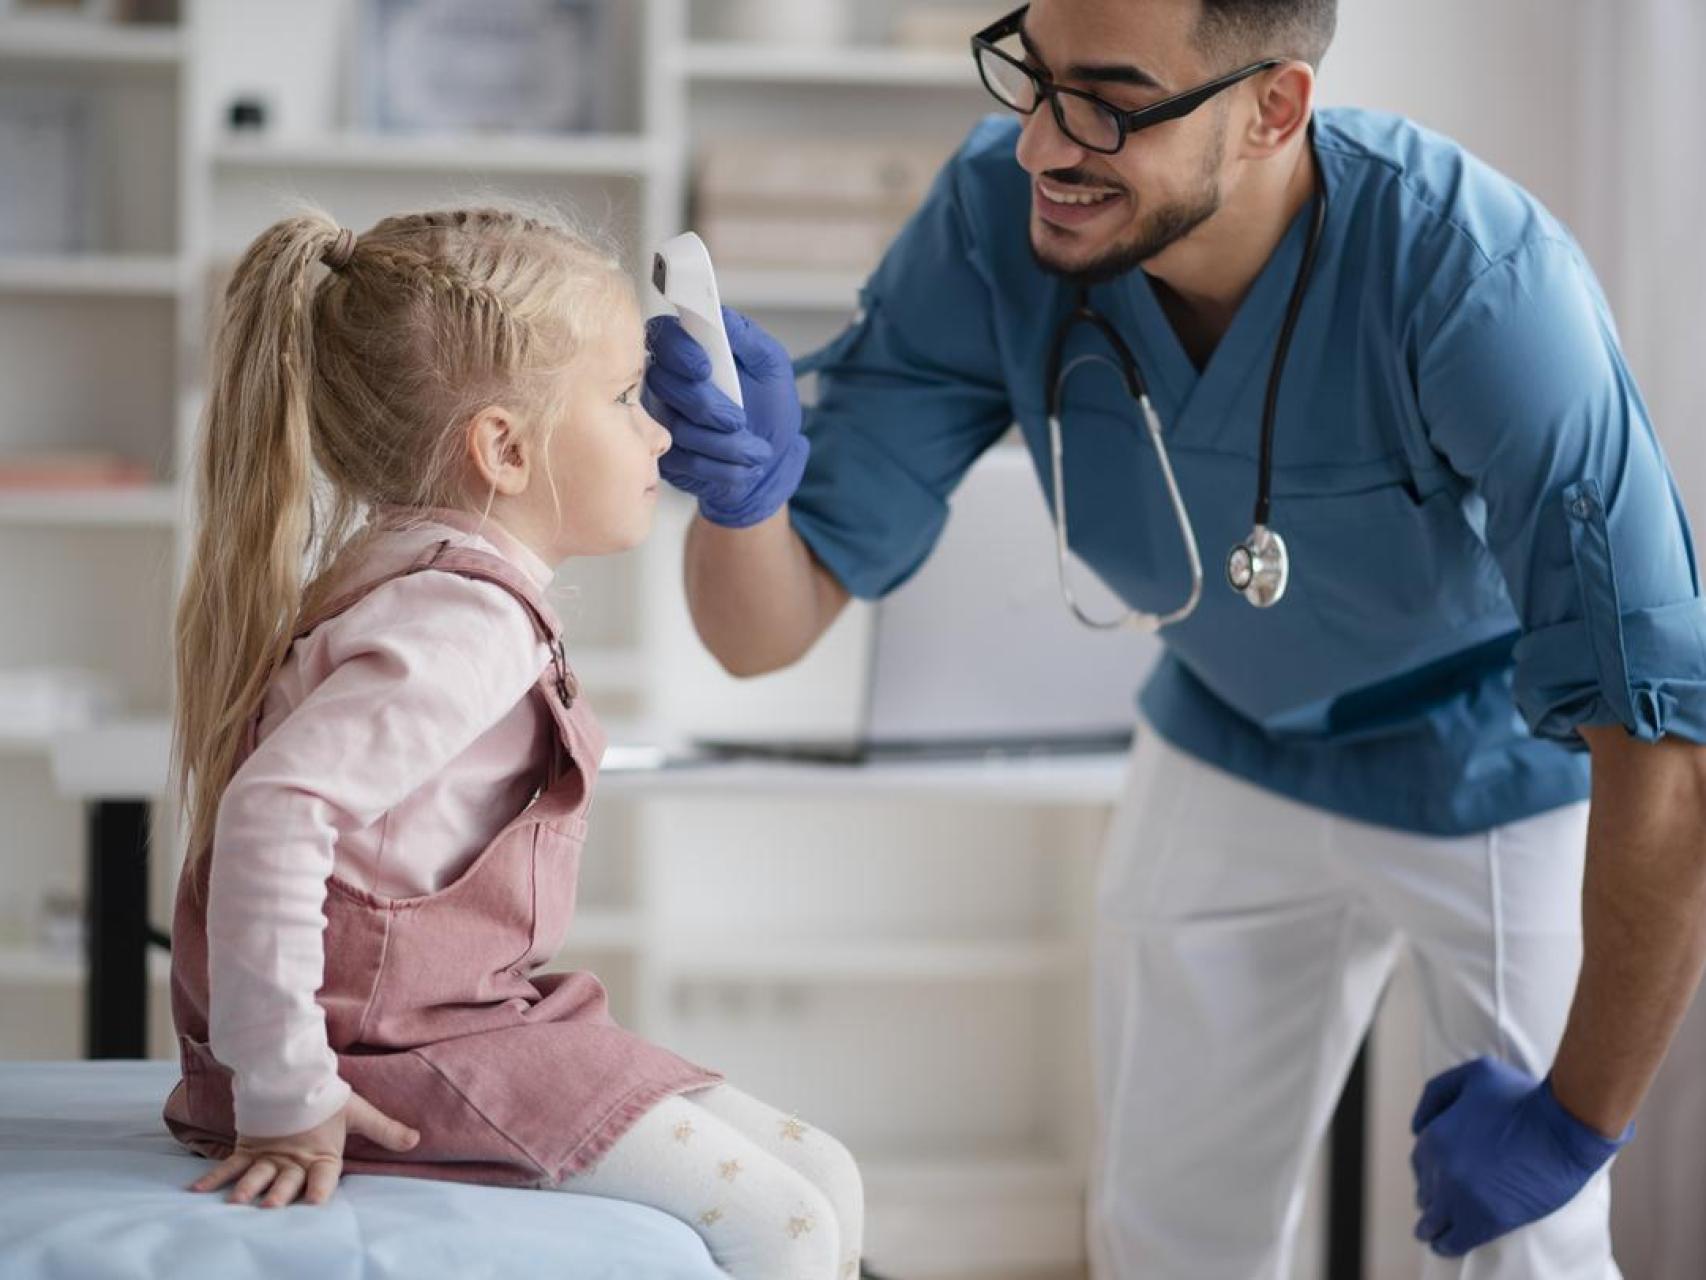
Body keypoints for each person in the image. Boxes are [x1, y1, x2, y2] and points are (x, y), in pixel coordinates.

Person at [641, 1, 1706, 1276]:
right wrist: (738, 495)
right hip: (1225, 736)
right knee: (1164, 1237)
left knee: (1528, 1244)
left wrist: (1577, 1122)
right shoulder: (993, 221)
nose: (1038, 143)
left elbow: (1666, 750)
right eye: (1031, 75)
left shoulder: (1475, 281)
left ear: (1272, 109)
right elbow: (760, 632)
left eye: (1106, 98)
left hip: (1487, 766)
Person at [163, 204, 864, 1280]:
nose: (661, 433)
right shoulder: (462, 621)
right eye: (627, 399)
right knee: (791, 1222)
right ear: (504, 445)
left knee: (825, 1175)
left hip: (460, 1019)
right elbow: (275, 811)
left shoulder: (412, 571)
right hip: (387, 1054)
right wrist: (285, 1086)